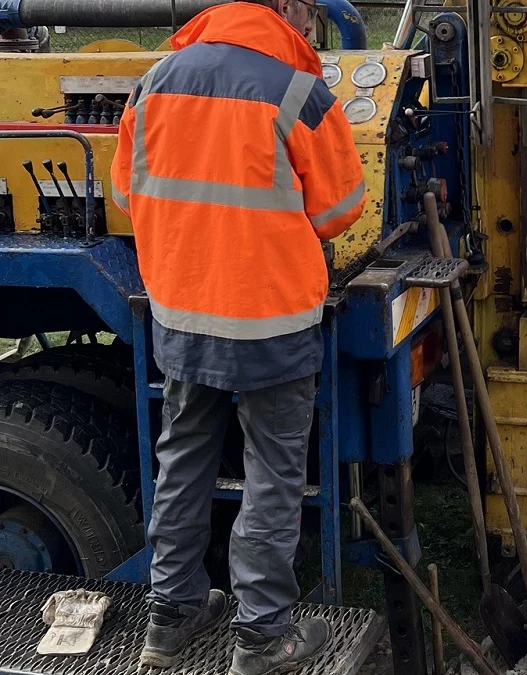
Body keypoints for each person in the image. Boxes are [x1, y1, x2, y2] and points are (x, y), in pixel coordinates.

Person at [110, 1, 365, 673]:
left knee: (183, 460)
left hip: (183, 314)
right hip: (270, 323)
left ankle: (170, 618)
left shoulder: (156, 81)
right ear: (283, 8)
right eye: (308, 11)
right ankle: (261, 638)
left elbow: (128, 193)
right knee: (273, 477)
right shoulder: (298, 92)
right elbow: (341, 212)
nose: (309, 27)